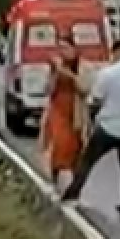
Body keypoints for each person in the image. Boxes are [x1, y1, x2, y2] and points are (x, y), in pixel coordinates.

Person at [61, 38, 120, 215]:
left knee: (87, 162)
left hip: (107, 125)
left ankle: (72, 193)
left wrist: (92, 117)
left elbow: (96, 99)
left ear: (118, 52)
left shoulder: (108, 73)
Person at [39, 39, 85, 193]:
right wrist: (55, 73)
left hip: (75, 110)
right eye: (59, 48)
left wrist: (67, 73)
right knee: (59, 142)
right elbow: (48, 90)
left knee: (75, 146)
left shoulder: (80, 66)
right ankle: (55, 177)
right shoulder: (55, 68)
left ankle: (74, 185)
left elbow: (85, 88)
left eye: (65, 47)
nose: (62, 51)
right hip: (57, 109)